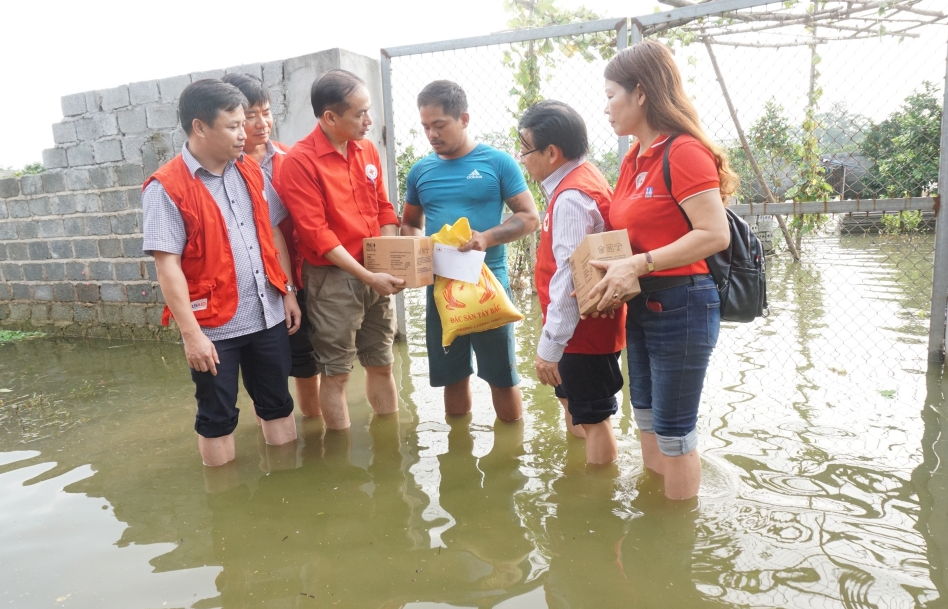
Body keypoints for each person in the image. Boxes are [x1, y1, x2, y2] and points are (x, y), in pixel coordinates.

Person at [588, 40, 735, 499]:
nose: (606, 107)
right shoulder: (633, 157)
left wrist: (639, 262)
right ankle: (653, 516)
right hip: (641, 303)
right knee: (647, 419)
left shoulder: (684, 152)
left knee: (674, 432)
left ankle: (678, 533)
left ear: (641, 93)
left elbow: (714, 234)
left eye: (611, 94)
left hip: (682, 304)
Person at [142, 79, 301, 466]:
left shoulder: (250, 170)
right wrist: (191, 336)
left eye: (243, 124)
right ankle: (222, 497)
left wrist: (288, 291)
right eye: (233, 126)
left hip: (268, 314)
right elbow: (167, 266)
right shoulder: (167, 188)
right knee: (217, 418)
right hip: (213, 328)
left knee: (278, 404)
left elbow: (272, 231)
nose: (244, 133)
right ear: (200, 127)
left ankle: (288, 488)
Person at [400, 80, 540, 422]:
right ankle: (458, 446)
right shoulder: (420, 171)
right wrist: (419, 253)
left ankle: (511, 447)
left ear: (463, 118)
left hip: (488, 285)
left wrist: (486, 238)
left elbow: (529, 217)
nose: (431, 134)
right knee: (452, 376)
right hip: (442, 287)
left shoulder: (497, 162)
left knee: (502, 377)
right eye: (425, 126)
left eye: (439, 125)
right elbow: (410, 225)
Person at [276, 69, 403, 431]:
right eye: (360, 114)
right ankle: (340, 454)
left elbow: (383, 209)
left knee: (382, 362)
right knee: (337, 373)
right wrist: (368, 275)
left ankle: (390, 445)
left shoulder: (367, 149)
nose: (369, 121)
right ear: (330, 117)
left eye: (368, 111)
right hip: (333, 279)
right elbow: (318, 235)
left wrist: (387, 259)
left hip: (374, 270)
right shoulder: (300, 162)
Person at [518, 100, 625, 465]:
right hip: (580, 326)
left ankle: (598, 492)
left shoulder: (571, 197)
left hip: (582, 330)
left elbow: (568, 274)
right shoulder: (583, 178)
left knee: (594, 418)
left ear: (551, 152)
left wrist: (551, 344)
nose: (522, 158)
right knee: (576, 405)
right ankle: (578, 473)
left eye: (525, 150)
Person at [222, 73, 322, 419]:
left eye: (266, 112)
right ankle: (270, 423)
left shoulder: (290, 157)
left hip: (298, 272)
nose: (261, 123)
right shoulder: (224, 168)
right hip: (257, 282)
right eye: (250, 115)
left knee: (306, 361)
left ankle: (313, 425)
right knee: (263, 368)